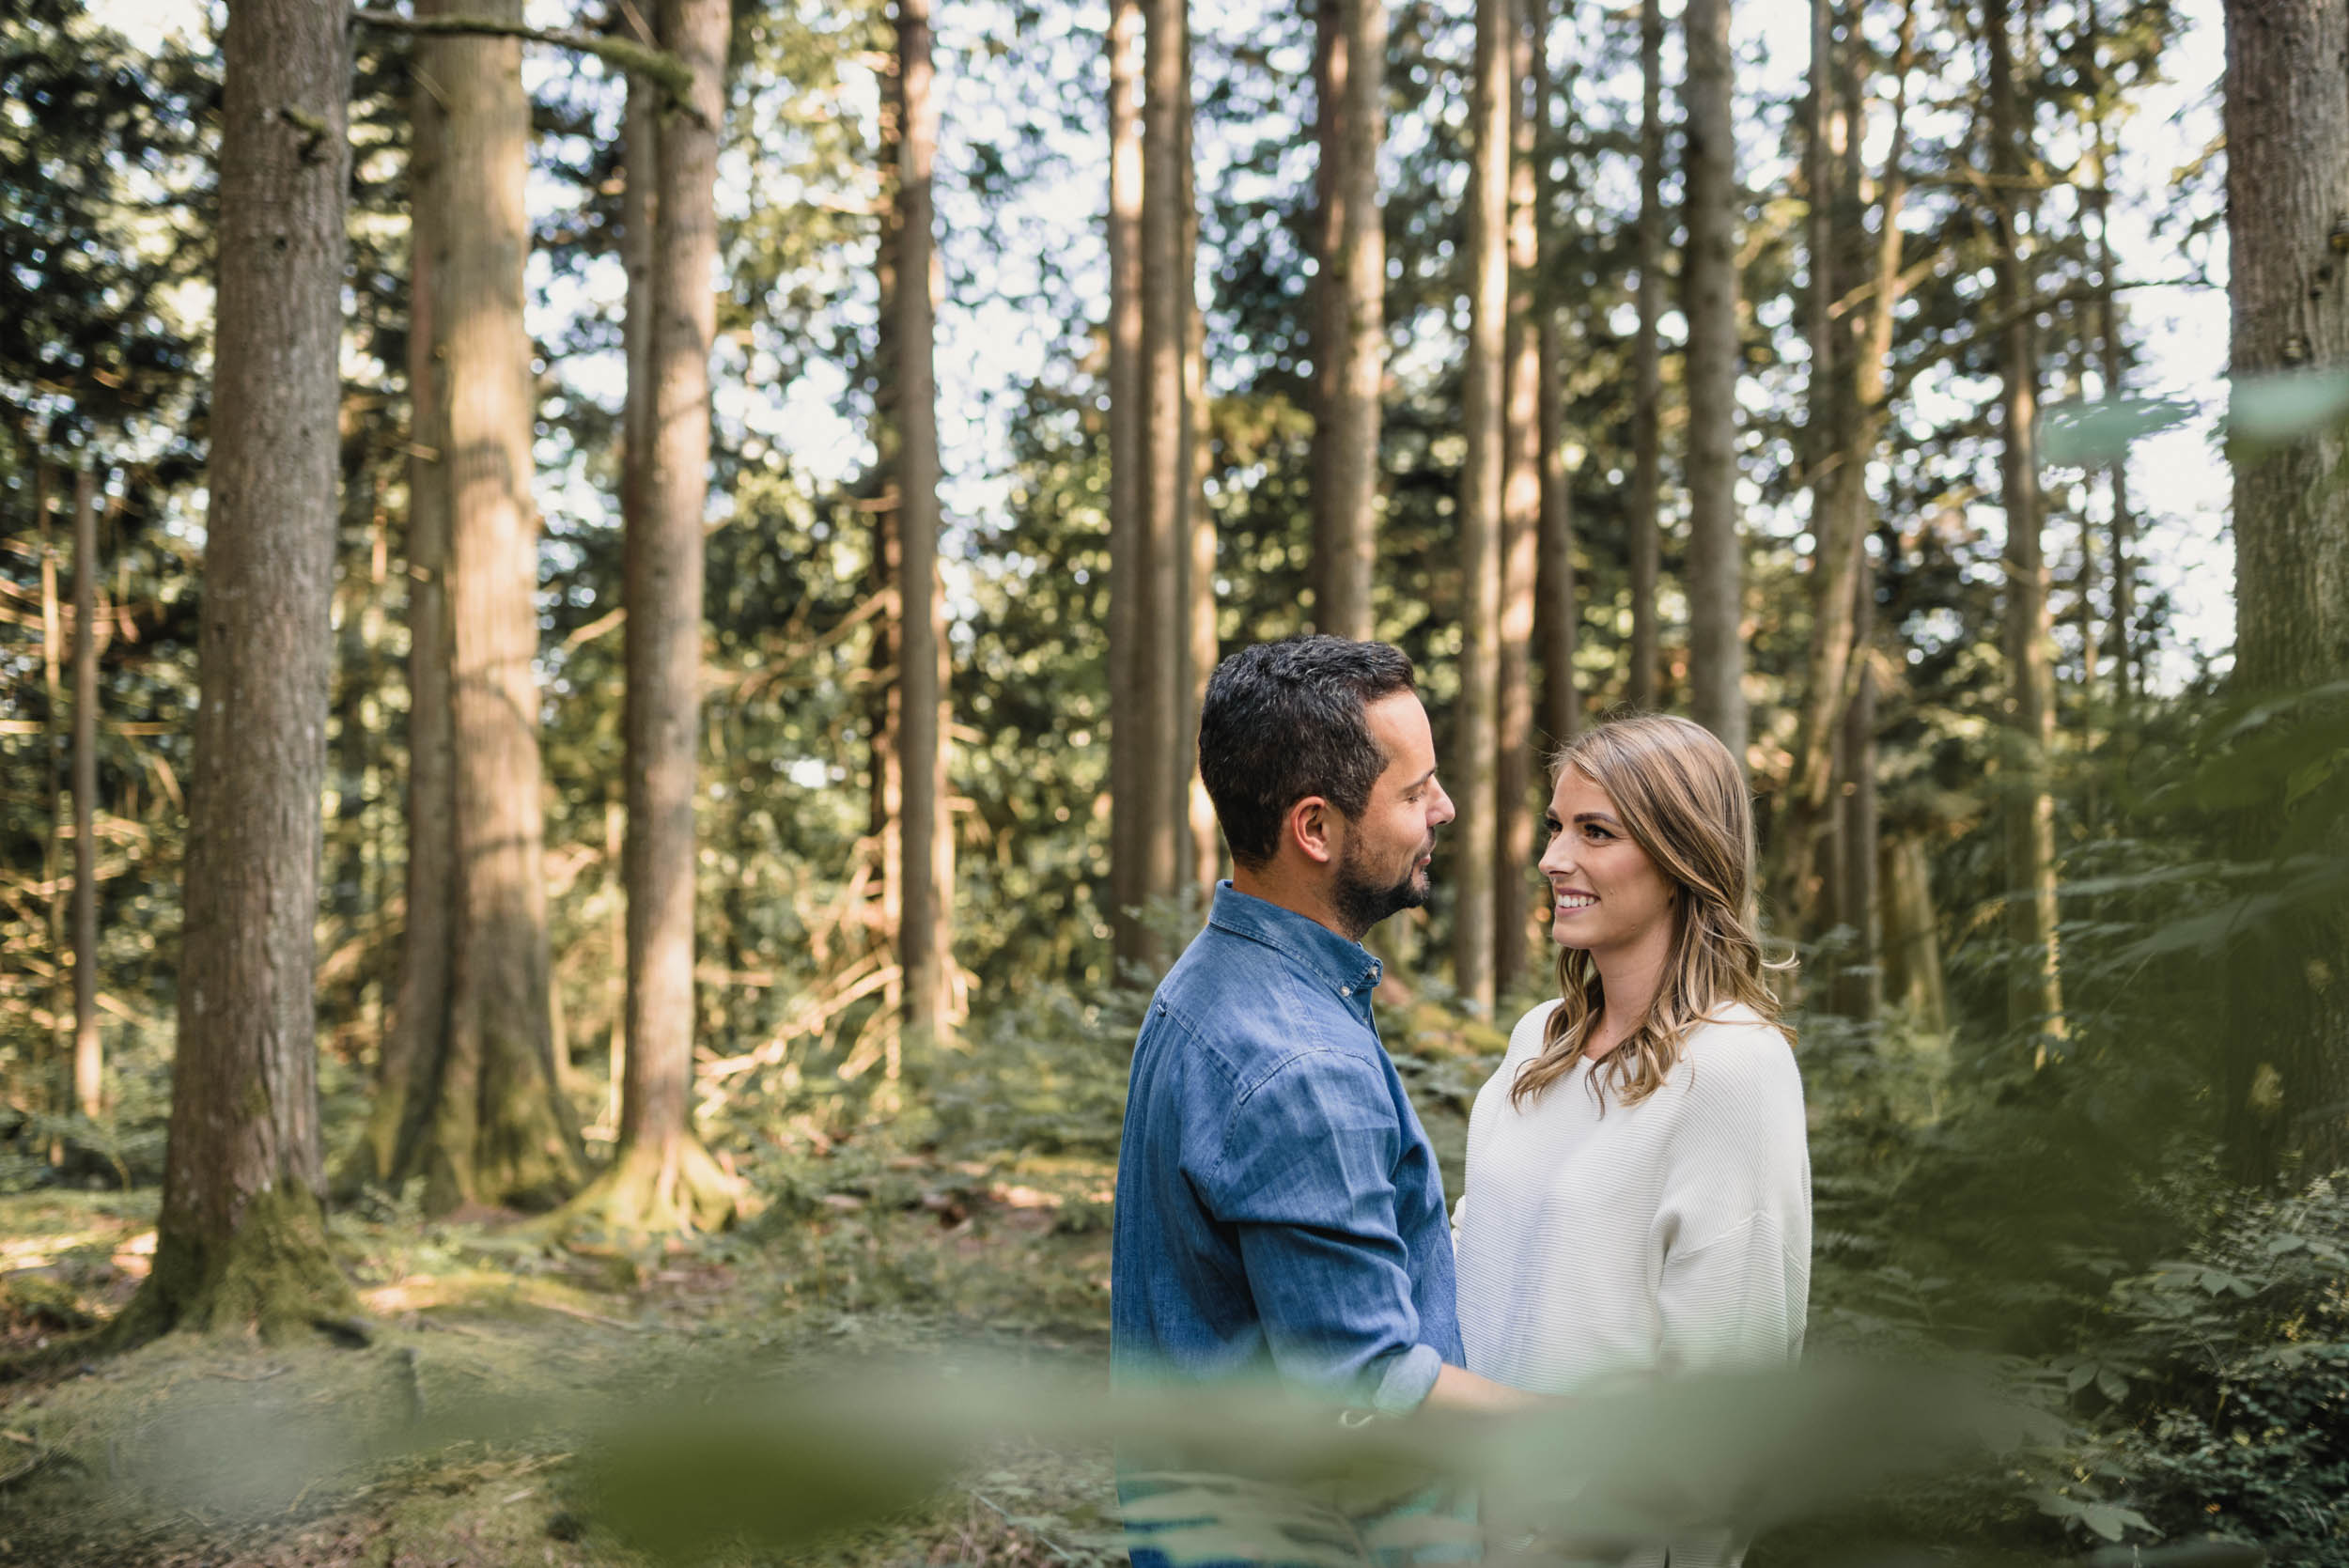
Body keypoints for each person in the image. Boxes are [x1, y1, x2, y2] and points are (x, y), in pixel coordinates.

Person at [1111, 636, 1524, 1566]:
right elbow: (1370, 1389)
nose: (1443, 809)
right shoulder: (1295, 1061)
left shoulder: (1211, 983)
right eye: (1415, 792)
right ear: (1315, 828)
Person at [1452, 713, 1812, 1568]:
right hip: (1454, 1530)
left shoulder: (1735, 1068)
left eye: (1595, 831)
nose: (1552, 859)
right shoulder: (1538, 1039)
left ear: (1683, 856)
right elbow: (1473, 1252)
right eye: (1554, 826)